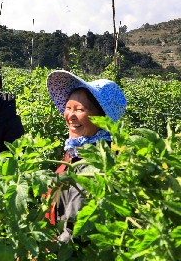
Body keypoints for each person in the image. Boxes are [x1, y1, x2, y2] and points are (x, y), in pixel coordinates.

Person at [46, 70, 127, 243]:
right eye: (68, 108)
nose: (70, 116)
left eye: (80, 109)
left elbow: (74, 231)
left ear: (102, 119)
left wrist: (45, 250)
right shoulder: (76, 151)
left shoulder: (96, 166)